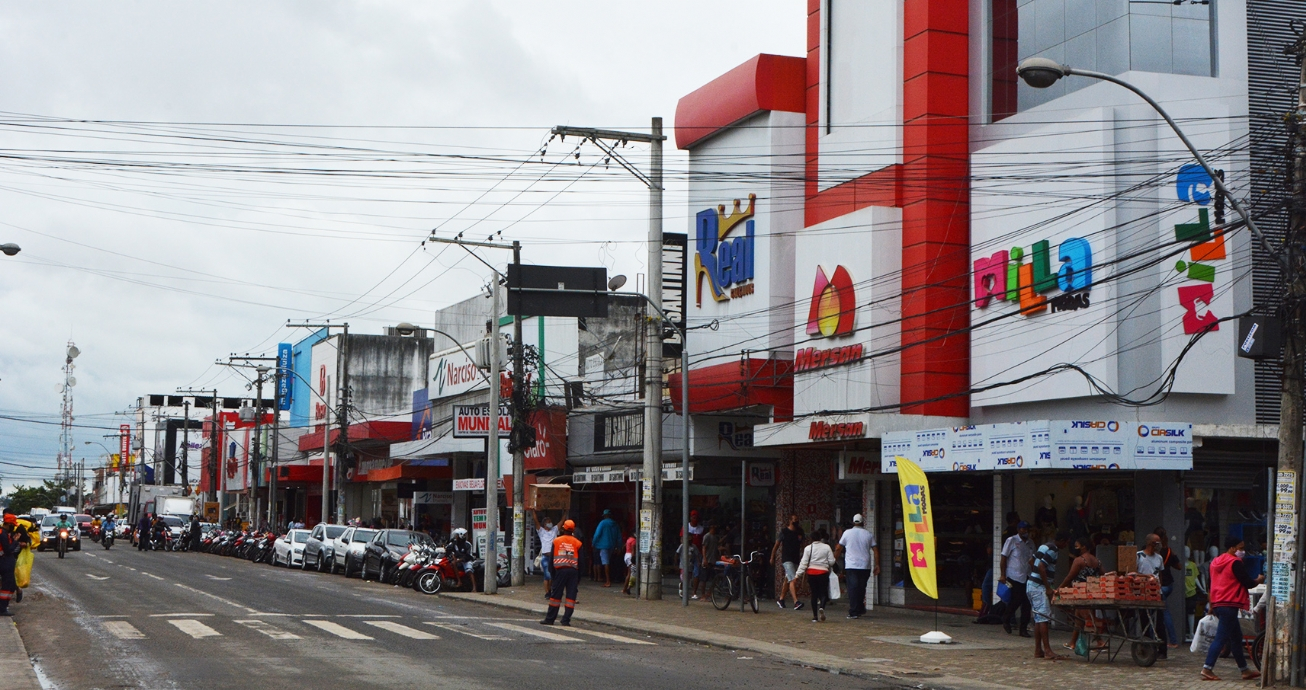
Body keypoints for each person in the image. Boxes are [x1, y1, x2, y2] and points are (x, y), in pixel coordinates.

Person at [1201, 536, 1263, 681]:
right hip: (1230, 604)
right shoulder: (1235, 563)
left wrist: (1211, 604)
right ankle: (1207, 668)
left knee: (1236, 637)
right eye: (1241, 548)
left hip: (1218, 603)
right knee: (1221, 638)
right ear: (1233, 548)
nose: (1242, 551)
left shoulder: (1215, 562)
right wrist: (1259, 580)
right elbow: (1247, 582)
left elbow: (1210, 584)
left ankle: (1244, 670)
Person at [1057, 535, 1102, 653]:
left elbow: (1069, 576)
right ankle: (1072, 642)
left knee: (1087, 617)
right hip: (1092, 592)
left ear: (1083, 547)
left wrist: (1059, 588)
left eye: (1077, 546)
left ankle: (1099, 641)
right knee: (1079, 618)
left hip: (1081, 593)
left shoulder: (1079, 560)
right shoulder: (1096, 561)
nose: (1075, 548)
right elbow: (1104, 574)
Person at [1028, 531, 1068, 660]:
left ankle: (1038, 650)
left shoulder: (1043, 546)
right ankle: (1047, 650)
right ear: (1062, 541)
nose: (1066, 545)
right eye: (1066, 543)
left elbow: (1031, 561)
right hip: (1039, 587)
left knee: (1038, 618)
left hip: (1032, 584)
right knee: (1044, 618)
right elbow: (1041, 566)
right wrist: (1048, 587)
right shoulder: (1053, 549)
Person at [835, 513, 879, 619]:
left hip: (851, 565)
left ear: (853, 522)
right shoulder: (868, 534)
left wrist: (834, 560)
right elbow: (876, 550)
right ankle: (859, 608)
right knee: (861, 587)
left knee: (853, 588)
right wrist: (877, 564)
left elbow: (838, 548)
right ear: (862, 522)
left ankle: (854, 611)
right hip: (865, 566)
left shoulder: (847, 533)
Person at [540, 520, 582, 626]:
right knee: (571, 597)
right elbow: (582, 562)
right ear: (573, 530)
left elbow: (551, 560)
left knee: (555, 596)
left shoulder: (557, 541)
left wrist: (553, 575)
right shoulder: (578, 543)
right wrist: (579, 577)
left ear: (563, 529)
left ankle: (550, 619)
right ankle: (566, 620)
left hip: (560, 571)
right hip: (573, 572)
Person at [1000, 521, 1034, 637]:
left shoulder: (1030, 543)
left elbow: (1031, 560)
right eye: (1023, 529)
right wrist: (1003, 575)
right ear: (1019, 529)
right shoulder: (1011, 540)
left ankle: (1023, 629)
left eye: (1027, 529)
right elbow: (1004, 558)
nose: (1025, 531)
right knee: (1016, 600)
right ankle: (1006, 618)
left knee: (1027, 603)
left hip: (1027, 576)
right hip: (1014, 576)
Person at [796, 528, 835, 622]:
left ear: (811, 539)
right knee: (823, 593)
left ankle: (815, 617)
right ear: (820, 538)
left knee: (814, 594)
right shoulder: (827, 547)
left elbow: (804, 562)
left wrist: (798, 574)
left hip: (812, 573)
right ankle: (822, 606)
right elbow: (832, 562)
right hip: (823, 573)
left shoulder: (808, 548)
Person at [770, 514, 806, 611]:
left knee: (788, 579)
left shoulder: (800, 532)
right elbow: (776, 545)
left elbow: (803, 545)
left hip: (796, 558)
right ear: (790, 520)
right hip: (787, 559)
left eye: (797, 519)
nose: (796, 521)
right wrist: (772, 557)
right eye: (794, 519)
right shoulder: (784, 532)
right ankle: (796, 602)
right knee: (793, 579)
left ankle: (781, 599)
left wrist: (804, 558)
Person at [530, 508, 564, 598]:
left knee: (553, 576)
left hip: (553, 557)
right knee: (547, 576)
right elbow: (536, 520)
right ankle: (547, 592)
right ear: (545, 524)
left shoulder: (554, 530)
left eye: (551, 521)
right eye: (549, 522)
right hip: (545, 557)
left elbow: (562, 521)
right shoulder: (541, 531)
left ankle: (551, 590)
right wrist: (533, 511)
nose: (550, 523)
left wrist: (566, 511)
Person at [0, 513, 23, 616]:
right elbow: (8, 550)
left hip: (6, 561)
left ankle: (4, 606)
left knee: (12, 585)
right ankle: (2, 608)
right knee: (7, 585)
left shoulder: (4, 533)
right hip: (4, 562)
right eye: (12, 525)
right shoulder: (2, 534)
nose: (13, 527)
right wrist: (15, 541)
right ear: (8, 524)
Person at [591, 509, 622, 588]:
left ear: (604, 516)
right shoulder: (615, 524)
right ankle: (609, 579)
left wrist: (593, 543)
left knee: (605, 562)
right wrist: (619, 546)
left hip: (603, 546)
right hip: (612, 545)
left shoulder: (602, 523)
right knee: (609, 562)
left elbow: (597, 534)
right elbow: (619, 537)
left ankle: (608, 581)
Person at [449, 528, 477, 592]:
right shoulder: (455, 543)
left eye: (457, 535)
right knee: (452, 564)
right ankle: (459, 581)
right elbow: (450, 549)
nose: (456, 536)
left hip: (467, 560)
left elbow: (468, 555)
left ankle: (474, 587)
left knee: (469, 570)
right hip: (458, 560)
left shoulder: (467, 544)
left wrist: (458, 560)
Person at [697, 524, 721, 600]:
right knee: (703, 579)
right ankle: (703, 594)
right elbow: (704, 548)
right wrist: (704, 559)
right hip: (707, 559)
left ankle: (709, 593)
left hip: (713, 560)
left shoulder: (715, 537)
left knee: (714, 578)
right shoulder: (707, 536)